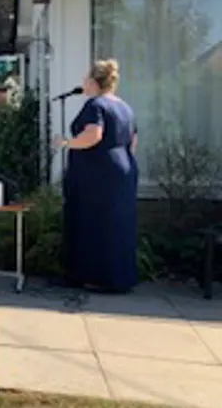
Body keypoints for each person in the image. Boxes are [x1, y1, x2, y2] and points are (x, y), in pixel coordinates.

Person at [54, 59, 138, 293]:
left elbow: (94, 135)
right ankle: (121, 277)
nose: (83, 83)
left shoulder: (95, 105)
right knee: (118, 223)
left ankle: (96, 277)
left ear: (93, 82)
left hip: (97, 173)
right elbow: (133, 142)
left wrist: (67, 143)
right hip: (123, 169)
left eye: (85, 79)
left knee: (93, 222)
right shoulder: (125, 107)